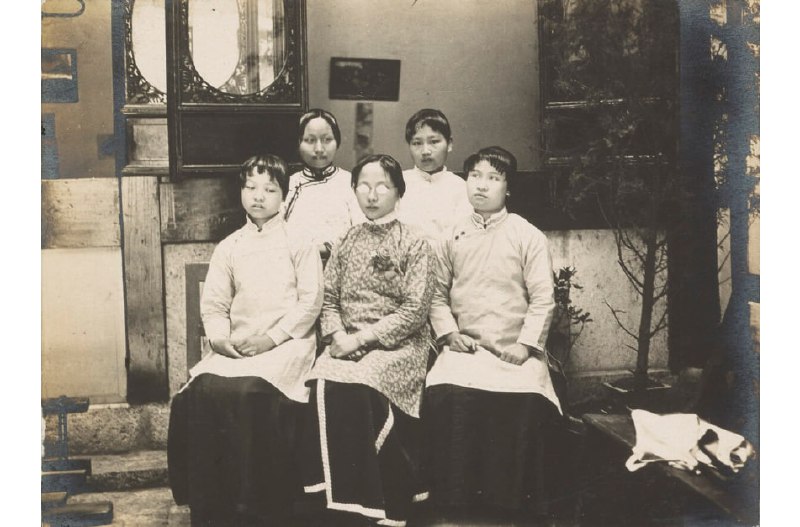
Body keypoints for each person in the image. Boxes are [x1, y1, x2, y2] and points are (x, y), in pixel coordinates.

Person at [167, 154, 323, 526]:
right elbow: (215, 306)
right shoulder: (229, 246)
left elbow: (310, 302)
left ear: (283, 196)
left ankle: (258, 507)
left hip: (288, 343)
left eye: (269, 189)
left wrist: (271, 339)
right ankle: (212, 507)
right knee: (200, 391)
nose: (258, 196)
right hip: (238, 345)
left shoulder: (300, 241)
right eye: (251, 187)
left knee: (251, 392)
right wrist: (221, 340)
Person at [423, 146, 569, 521]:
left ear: (508, 187)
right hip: (465, 348)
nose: (482, 186)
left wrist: (525, 346)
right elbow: (436, 296)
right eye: (474, 176)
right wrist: (449, 334)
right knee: (446, 393)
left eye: (493, 177)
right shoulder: (450, 236)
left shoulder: (528, 235)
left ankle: (510, 505)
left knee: (522, 398)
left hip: (514, 350)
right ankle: (455, 503)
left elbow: (542, 299)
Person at [302, 154, 435, 526]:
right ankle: (338, 501)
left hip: (398, 345)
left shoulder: (415, 241)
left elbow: (414, 310)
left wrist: (365, 338)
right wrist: (340, 336)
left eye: (382, 186)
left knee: (362, 386)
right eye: (364, 185)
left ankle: (385, 498)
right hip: (344, 341)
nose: (372, 195)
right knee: (323, 381)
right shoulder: (346, 238)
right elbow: (328, 298)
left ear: (398, 191)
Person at [283, 109, 365, 262]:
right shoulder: (289, 184)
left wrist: (324, 249)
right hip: (296, 266)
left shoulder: (350, 183)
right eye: (310, 140)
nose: (319, 149)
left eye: (327, 140)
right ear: (299, 143)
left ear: (337, 142)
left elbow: (361, 233)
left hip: (340, 266)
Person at [396, 109, 473, 243]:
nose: (425, 151)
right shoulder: (397, 183)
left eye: (434, 141)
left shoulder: (461, 188)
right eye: (417, 143)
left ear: (449, 144)